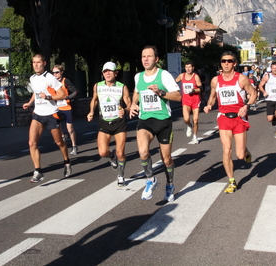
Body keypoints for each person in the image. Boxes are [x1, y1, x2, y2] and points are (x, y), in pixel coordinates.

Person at [130, 45, 181, 201]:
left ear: (156, 59)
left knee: (166, 159)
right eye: (143, 56)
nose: (145, 59)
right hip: (145, 120)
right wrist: (133, 104)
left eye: (149, 56)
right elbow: (137, 92)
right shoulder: (138, 77)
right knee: (143, 151)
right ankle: (150, 179)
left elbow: (178, 96)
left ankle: (170, 185)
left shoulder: (164, 75)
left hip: (163, 120)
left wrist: (161, 92)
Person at [203, 51, 256, 194]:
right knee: (226, 150)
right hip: (224, 118)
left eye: (229, 61)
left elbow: (254, 93)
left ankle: (245, 151)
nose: (226, 63)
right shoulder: (216, 80)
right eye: (223, 61)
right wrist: (209, 105)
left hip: (239, 118)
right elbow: (212, 97)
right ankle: (232, 181)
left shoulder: (242, 79)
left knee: (239, 155)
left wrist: (247, 106)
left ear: (235, 63)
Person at [23, 54, 72, 182]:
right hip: (38, 114)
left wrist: (48, 97)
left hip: (51, 114)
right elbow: (36, 92)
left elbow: (62, 95)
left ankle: (67, 162)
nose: (36, 65)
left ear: (44, 63)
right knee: (32, 143)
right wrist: (30, 103)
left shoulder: (49, 77)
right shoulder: (32, 78)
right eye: (34, 62)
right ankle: (38, 171)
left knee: (59, 142)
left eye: (38, 62)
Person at [87, 62, 131, 187]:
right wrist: (91, 112)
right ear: (102, 73)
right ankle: (112, 156)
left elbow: (129, 105)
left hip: (119, 122)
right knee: (102, 152)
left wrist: (125, 110)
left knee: (121, 152)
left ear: (116, 73)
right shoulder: (98, 86)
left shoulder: (122, 87)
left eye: (110, 71)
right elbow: (94, 100)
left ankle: (121, 175)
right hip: (104, 122)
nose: (107, 73)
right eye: (105, 71)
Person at [52, 65, 79, 155]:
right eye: (54, 73)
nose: (55, 74)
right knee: (56, 125)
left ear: (61, 72)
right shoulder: (53, 82)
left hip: (66, 107)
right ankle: (63, 136)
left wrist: (67, 97)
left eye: (57, 72)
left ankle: (74, 146)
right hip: (56, 108)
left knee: (70, 129)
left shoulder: (65, 81)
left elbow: (75, 91)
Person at [175, 60, 203, 144]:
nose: (188, 69)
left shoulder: (195, 76)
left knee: (195, 119)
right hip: (186, 100)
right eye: (186, 67)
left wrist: (193, 90)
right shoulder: (181, 76)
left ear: (193, 68)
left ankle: (195, 137)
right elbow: (173, 82)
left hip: (195, 100)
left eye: (189, 67)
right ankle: (188, 125)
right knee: (186, 119)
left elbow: (201, 89)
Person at [258, 62, 276, 138]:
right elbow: (260, 85)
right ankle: (274, 119)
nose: (275, 70)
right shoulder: (267, 76)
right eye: (273, 68)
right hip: (270, 99)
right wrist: (264, 92)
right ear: (271, 68)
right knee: (270, 119)